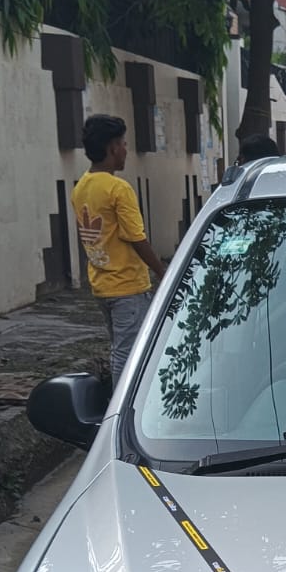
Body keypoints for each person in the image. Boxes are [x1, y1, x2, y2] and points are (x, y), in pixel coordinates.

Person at [72, 115, 166, 382]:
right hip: (128, 288)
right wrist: (163, 272)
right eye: (124, 144)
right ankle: (121, 412)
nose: (126, 150)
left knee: (120, 350)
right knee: (128, 357)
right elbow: (137, 238)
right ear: (113, 147)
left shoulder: (81, 187)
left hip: (102, 285)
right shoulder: (118, 189)